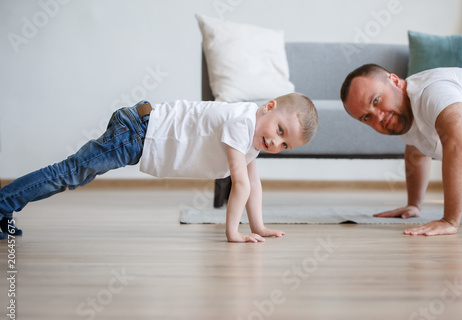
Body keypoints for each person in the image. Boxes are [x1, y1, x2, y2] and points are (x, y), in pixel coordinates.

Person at [0, 93, 318, 242]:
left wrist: (259, 227)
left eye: (285, 144)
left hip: (139, 131)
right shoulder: (242, 122)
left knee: (73, 175)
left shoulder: (253, 137)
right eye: (279, 130)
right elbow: (241, 184)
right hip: (138, 132)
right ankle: (4, 204)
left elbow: (253, 184)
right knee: (70, 173)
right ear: (270, 107)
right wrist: (233, 233)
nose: (276, 144)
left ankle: (5, 209)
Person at [340, 63, 462, 236]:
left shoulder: (432, 91)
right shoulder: (407, 116)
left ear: (394, 81)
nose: (378, 117)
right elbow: (416, 150)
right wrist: (414, 205)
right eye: (366, 117)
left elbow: (460, 145)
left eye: (376, 100)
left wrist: (449, 220)